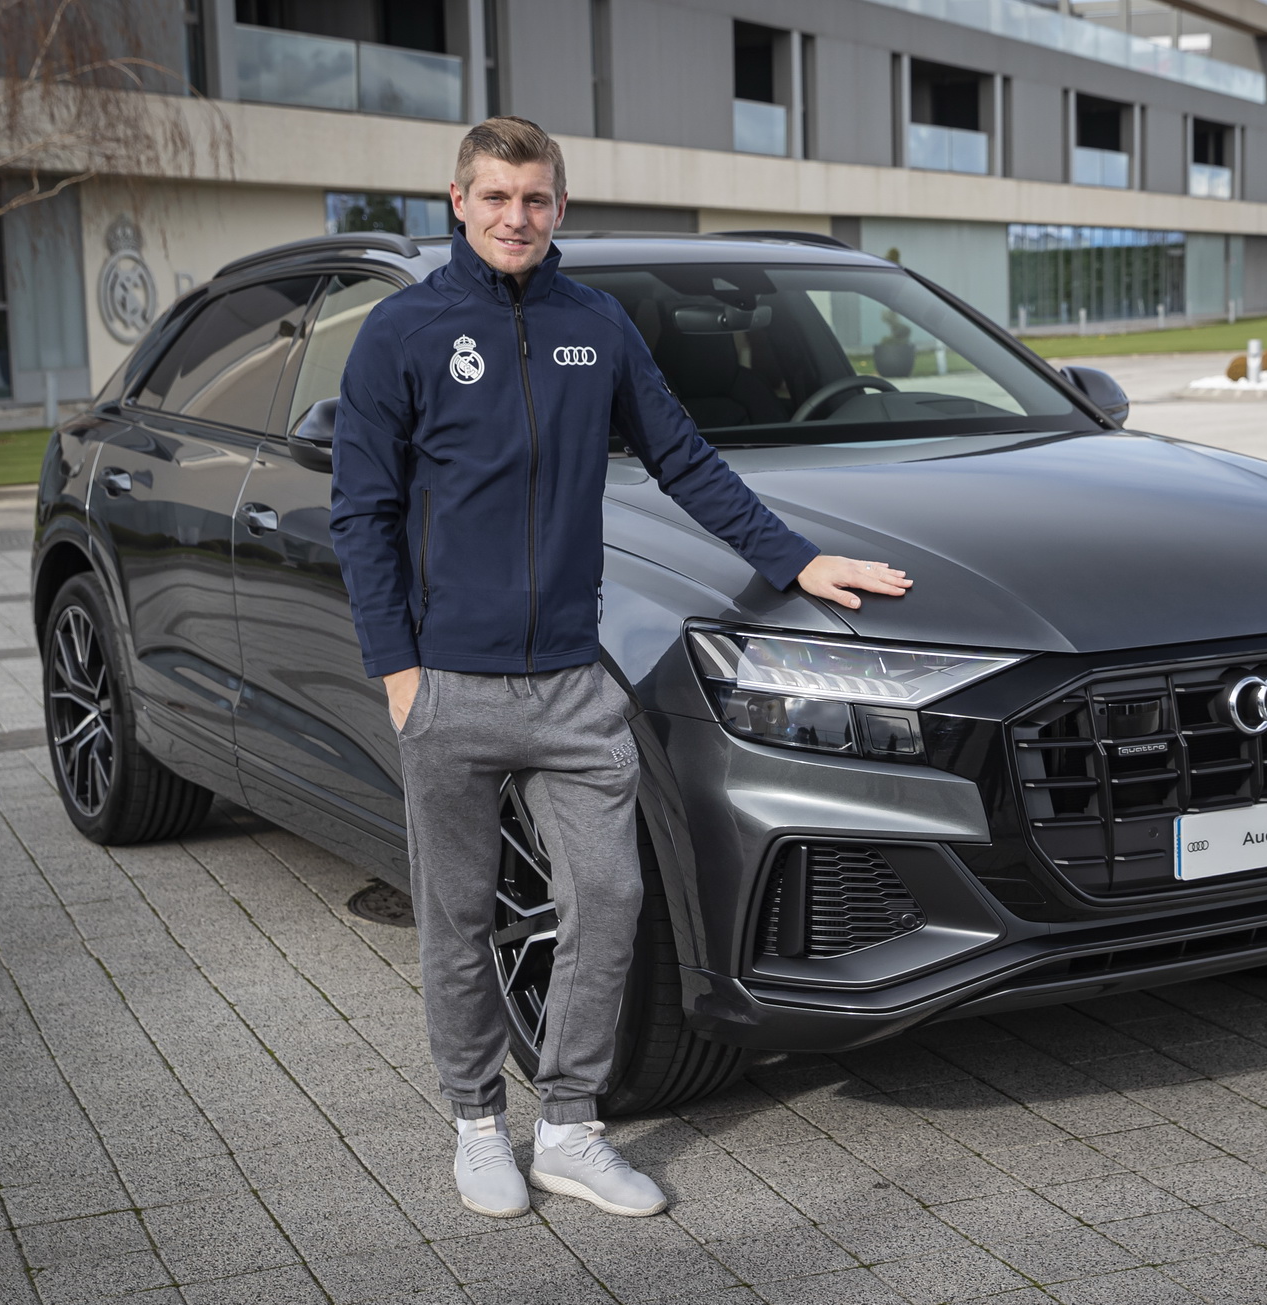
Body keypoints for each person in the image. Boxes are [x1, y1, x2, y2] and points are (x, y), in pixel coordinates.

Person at [329, 116, 911, 1220]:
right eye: (496, 198)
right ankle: (474, 1126)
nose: (517, 217)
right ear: (457, 200)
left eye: (537, 199)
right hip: (448, 683)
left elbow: (684, 457)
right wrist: (398, 672)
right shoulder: (403, 332)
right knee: (456, 917)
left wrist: (797, 559)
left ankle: (569, 1128)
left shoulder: (593, 325)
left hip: (571, 684)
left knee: (610, 894)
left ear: (561, 207)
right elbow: (360, 512)